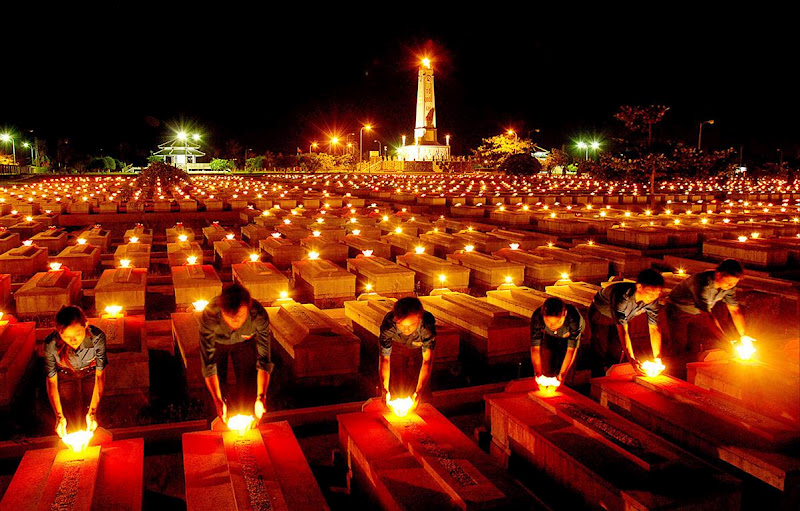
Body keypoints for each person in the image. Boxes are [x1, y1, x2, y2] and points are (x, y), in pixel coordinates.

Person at [198, 283, 274, 425]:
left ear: (248, 307)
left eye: (239, 315)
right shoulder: (210, 315)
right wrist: (217, 400)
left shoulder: (259, 316)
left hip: (244, 342)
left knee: (248, 383)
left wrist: (261, 396)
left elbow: (264, 360)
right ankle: (216, 422)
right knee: (216, 391)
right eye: (228, 316)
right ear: (221, 310)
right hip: (217, 343)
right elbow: (208, 364)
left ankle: (250, 423)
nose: (235, 321)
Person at [44, 306, 107, 438]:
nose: (73, 340)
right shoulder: (51, 344)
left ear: (86, 325)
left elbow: (100, 376)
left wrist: (93, 412)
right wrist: (59, 416)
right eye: (66, 336)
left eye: (78, 334)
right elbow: (52, 382)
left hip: (90, 372)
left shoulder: (97, 338)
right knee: (69, 413)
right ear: (59, 332)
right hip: (65, 375)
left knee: (90, 413)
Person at [665, 259, 746, 359]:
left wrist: (743, 335)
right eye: (729, 282)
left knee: (694, 346)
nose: (731, 286)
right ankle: (673, 370)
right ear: (719, 275)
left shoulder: (729, 288)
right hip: (678, 310)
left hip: (697, 312)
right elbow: (707, 316)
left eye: (734, 283)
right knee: (679, 344)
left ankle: (690, 370)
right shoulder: (702, 283)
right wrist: (726, 339)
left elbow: (735, 311)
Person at [589, 269, 664, 375]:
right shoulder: (623, 297)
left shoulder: (652, 300)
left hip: (622, 318)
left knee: (616, 350)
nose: (654, 296)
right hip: (601, 315)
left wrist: (658, 358)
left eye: (657, 293)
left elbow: (654, 328)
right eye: (650, 292)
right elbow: (623, 331)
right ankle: (597, 380)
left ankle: (611, 376)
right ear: (639, 287)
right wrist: (632, 361)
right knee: (600, 350)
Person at [379, 297, 436, 409]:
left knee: (422, 389)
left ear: (419, 319)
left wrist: (419, 391)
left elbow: (427, 361)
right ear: (395, 319)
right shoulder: (389, 325)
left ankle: (424, 407)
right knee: (396, 383)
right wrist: (384, 389)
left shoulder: (426, 327)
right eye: (402, 325)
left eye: (411, 325)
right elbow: (385, 359)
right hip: (397, 347)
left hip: (420, 349)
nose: (406, 330)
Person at [530, 297, 584, 383]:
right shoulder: (537, 317)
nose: (552, 325)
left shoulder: (574, 318)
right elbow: (535, 347)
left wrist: (562, 374)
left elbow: (571, 350)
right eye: (548, 321)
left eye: (558, 321)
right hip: (549, 336)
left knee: (568, 375)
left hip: (568, 338)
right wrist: (538, 372)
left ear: (565, 314)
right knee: (547, 369)